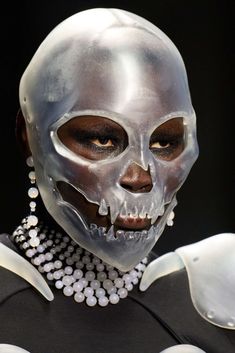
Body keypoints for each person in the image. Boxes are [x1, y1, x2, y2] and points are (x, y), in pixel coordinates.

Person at [0, 8, 234, 353]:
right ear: (28, 136)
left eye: (163, 141)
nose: (139, 177)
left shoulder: (219, 298)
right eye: (102, 139)